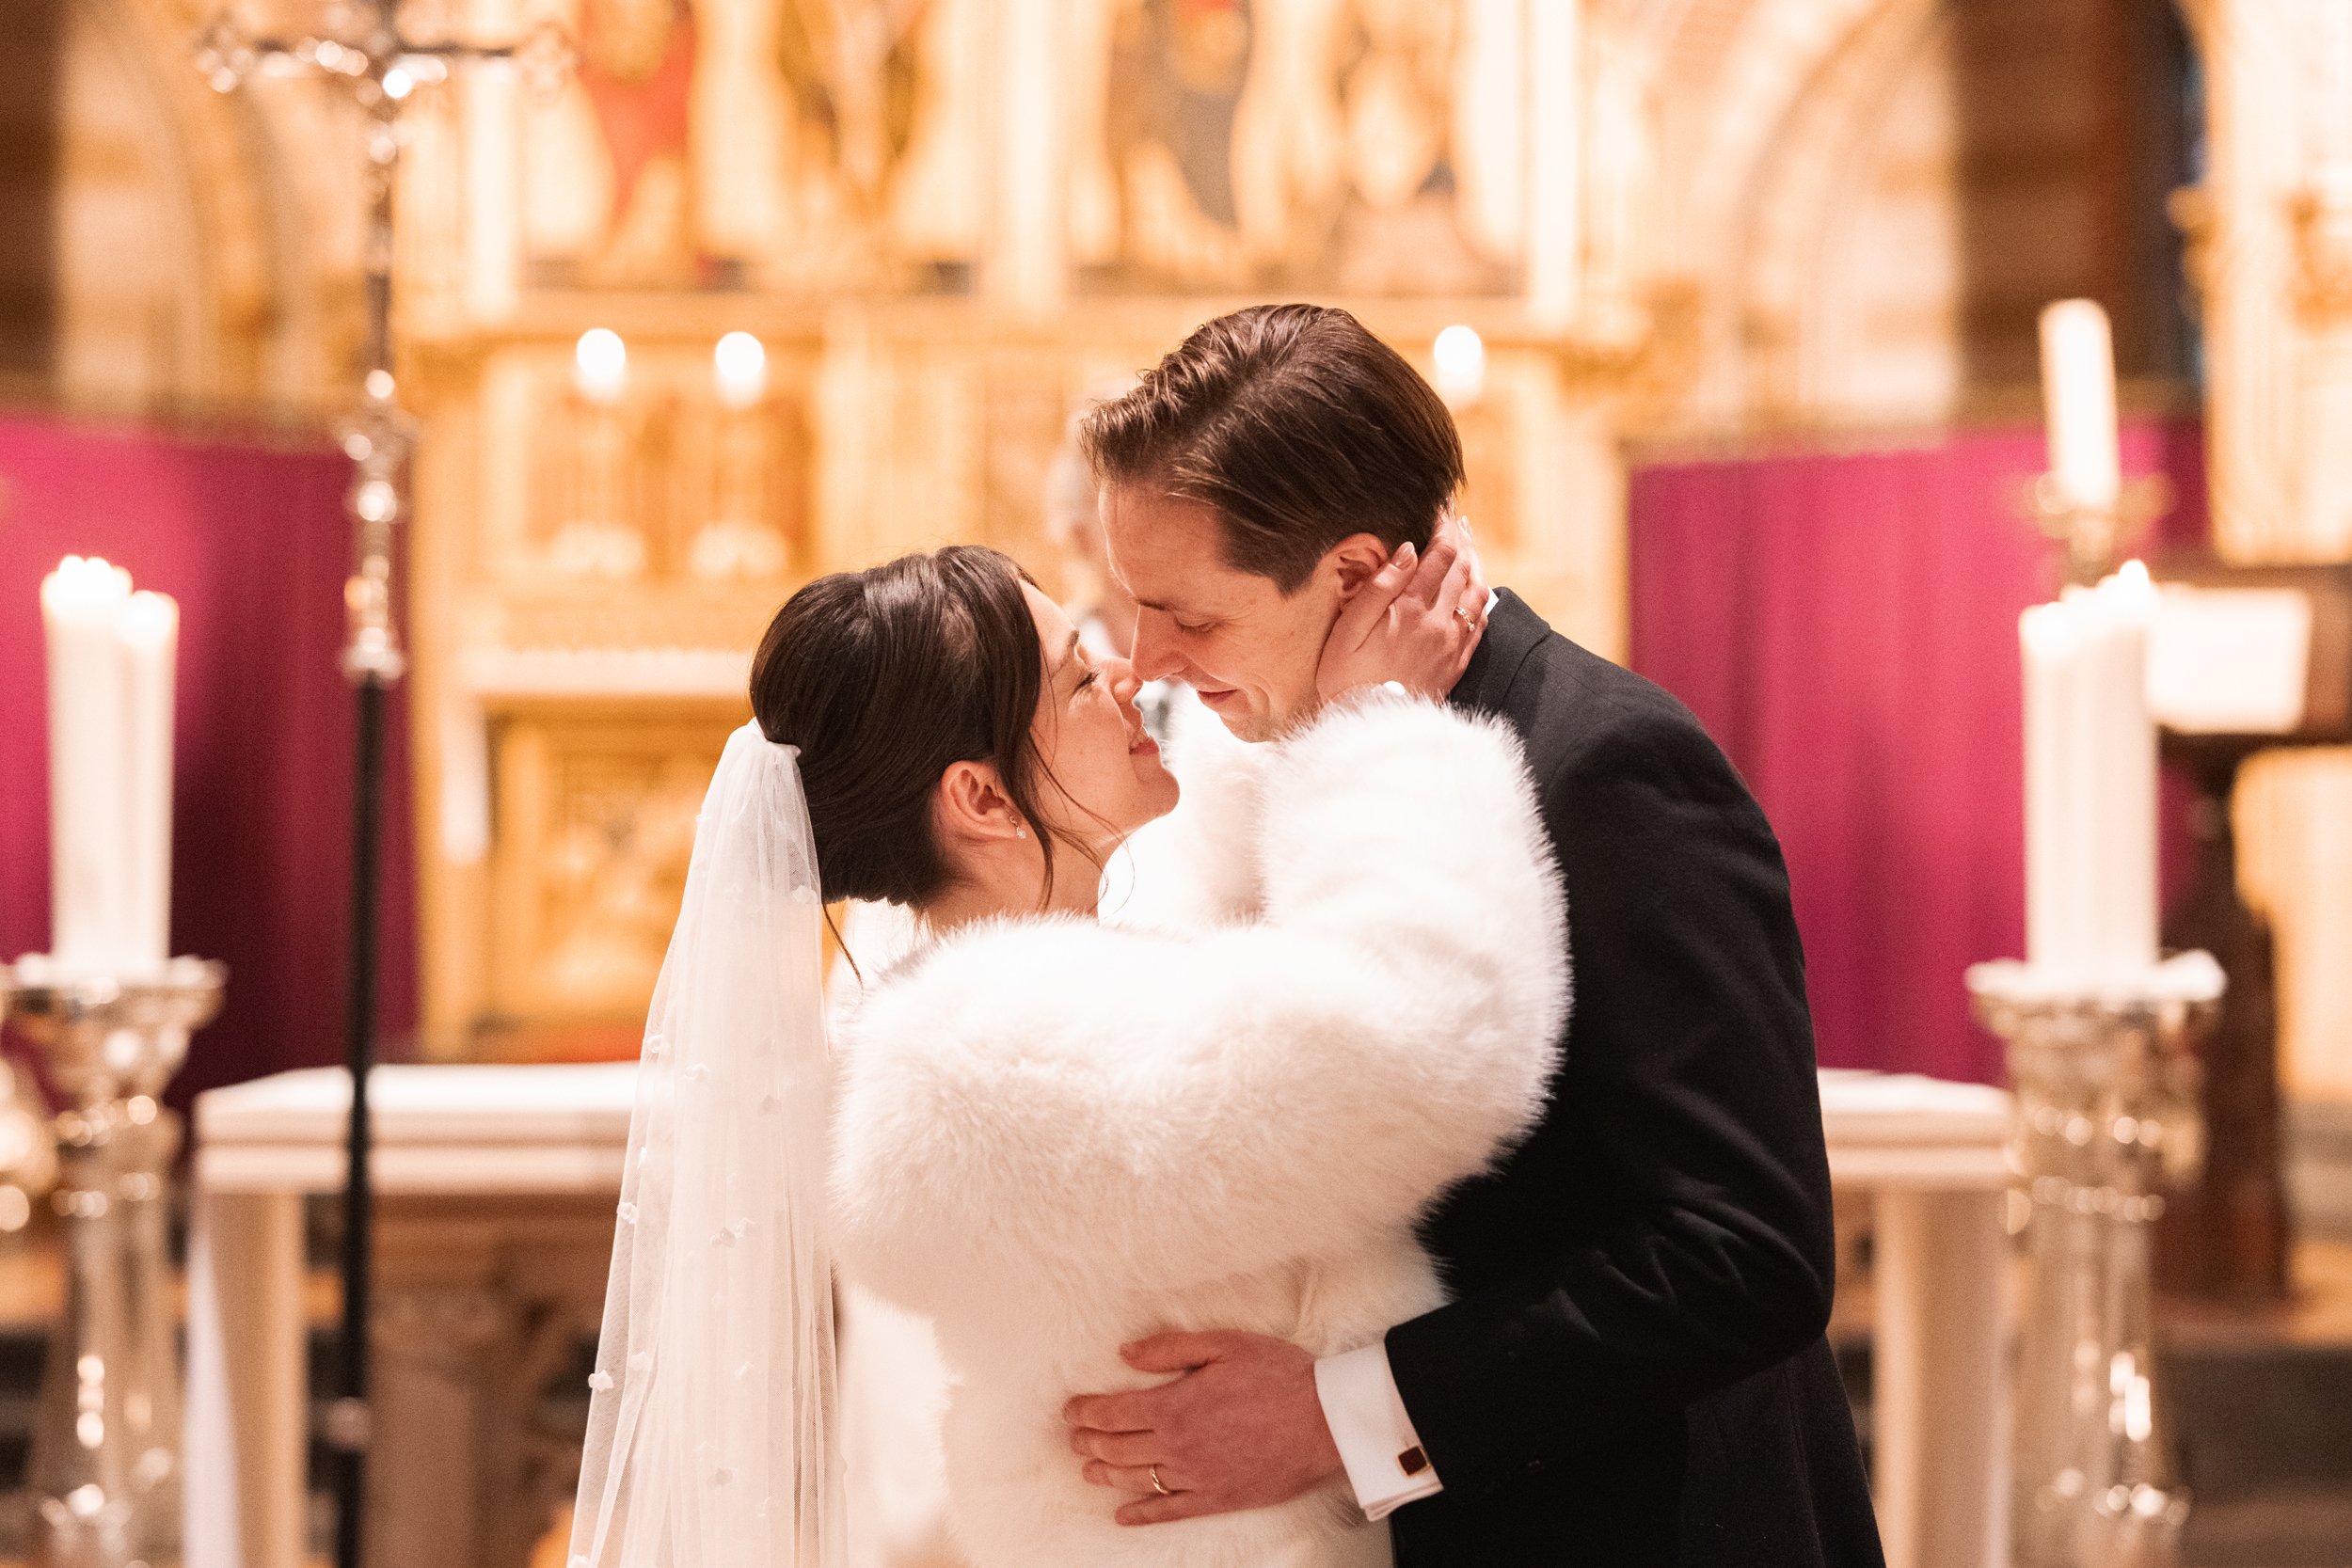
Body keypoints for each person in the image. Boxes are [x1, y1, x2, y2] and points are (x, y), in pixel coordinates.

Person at [1059, 304, 1885, 1568]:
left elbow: (1749, 1253)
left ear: (1347, 572)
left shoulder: (1605, 765)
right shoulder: (1311, 749)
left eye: (1192, 615)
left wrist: (1344, 1414)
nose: (1152, 663)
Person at [566, 541, 1568, 1568]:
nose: (1131, 674)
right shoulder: (984, 1068)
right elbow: (1432, 1043)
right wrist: (1377, 726)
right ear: (984, 799)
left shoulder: (1037, 985)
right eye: (1082, 676)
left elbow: (1230, 943)